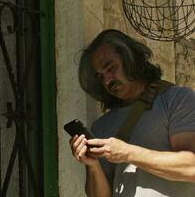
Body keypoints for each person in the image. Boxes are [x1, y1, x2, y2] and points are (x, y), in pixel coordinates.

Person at [69, 29, 195, 197]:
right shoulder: (101, 127)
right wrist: (92, 165)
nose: (107, 80)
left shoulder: (177, 100)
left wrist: (127, 153)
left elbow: (191, 167)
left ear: (131, 59)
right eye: (100, 77)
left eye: (111, 68)